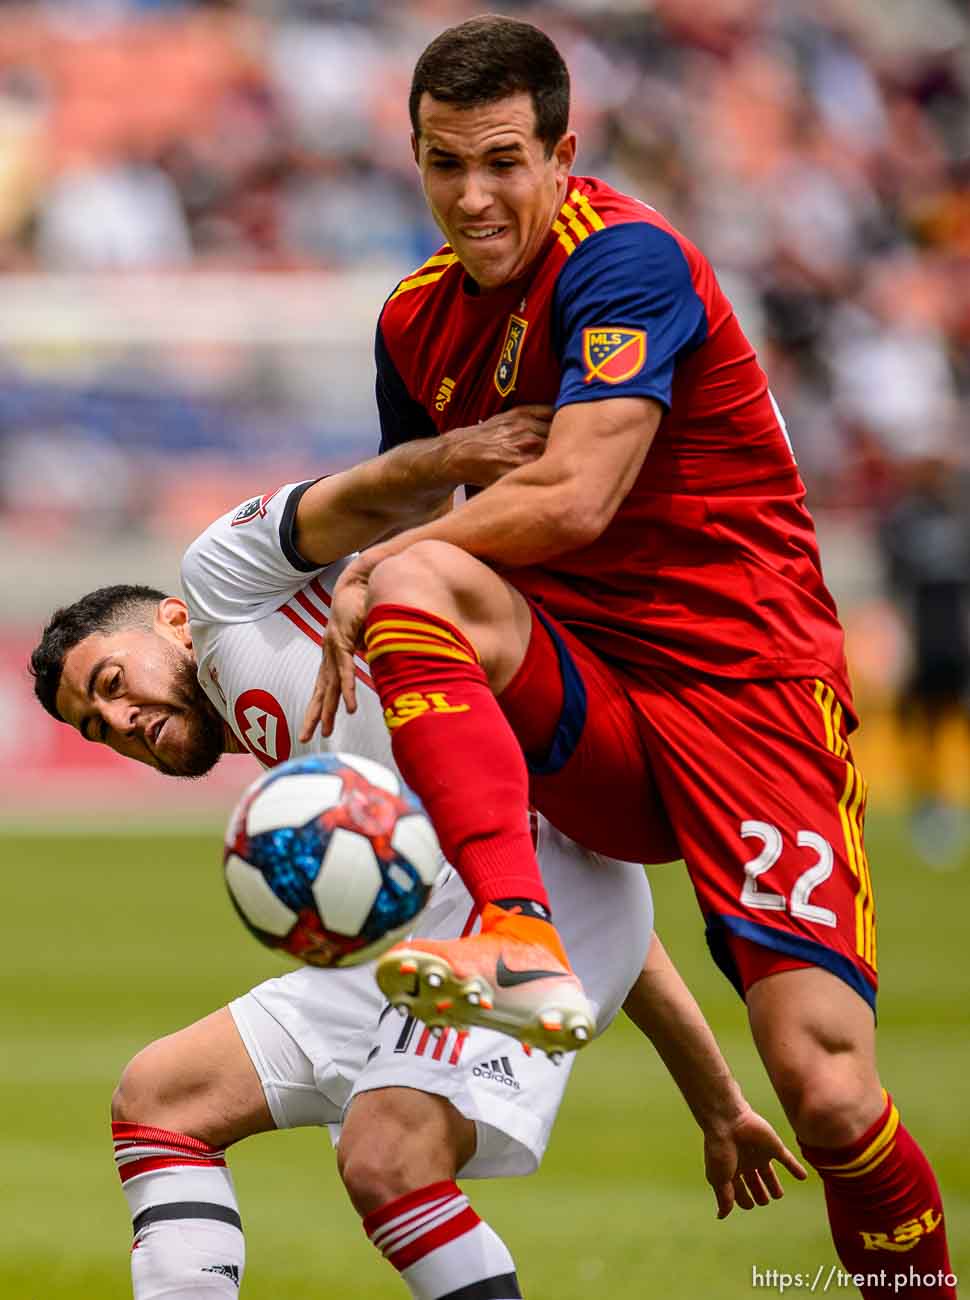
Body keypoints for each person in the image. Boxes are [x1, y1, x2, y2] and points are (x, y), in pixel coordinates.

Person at [300, 16, 955, 1298]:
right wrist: (323, 568)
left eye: (501, 161)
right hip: (586, 698)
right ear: (414, 160)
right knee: (420, 575)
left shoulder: (627, 262)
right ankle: (515, 927)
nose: (473, 197)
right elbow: (427, 539)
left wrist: (376, 570)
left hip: (745, 690)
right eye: (444, 164)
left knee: (826, 1089)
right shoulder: (412, 322)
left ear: (562, 154)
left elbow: (575, 499)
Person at [30, 438, 804, 1300]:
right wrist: (718, 1100)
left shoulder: (218, 582)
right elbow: (616, 937)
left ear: (172, 621)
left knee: (389, 1156)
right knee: (161, 1099)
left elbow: (362, 497)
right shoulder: (286, 753)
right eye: (97, 725)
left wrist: (456, 452)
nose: (120, 719)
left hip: (529, 872)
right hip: (467, 916)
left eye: (110, 680)